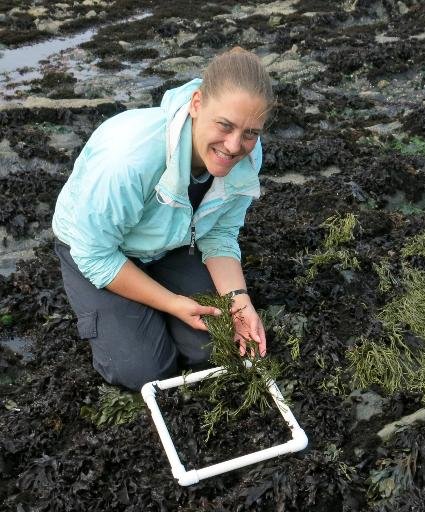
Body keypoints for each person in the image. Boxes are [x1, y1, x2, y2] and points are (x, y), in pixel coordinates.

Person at [52, 47, 273, 391]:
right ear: (197, 103)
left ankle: (154, 308)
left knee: (215, 347)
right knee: (144, 370)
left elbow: (221, 234)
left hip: (170, 242)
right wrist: (171, 303)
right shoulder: (128, 160)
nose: (234, 146)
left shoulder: (247, 154)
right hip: (97, 250)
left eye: (250, 132)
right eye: (224, 125)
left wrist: (239, 299)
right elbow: (95, 254)